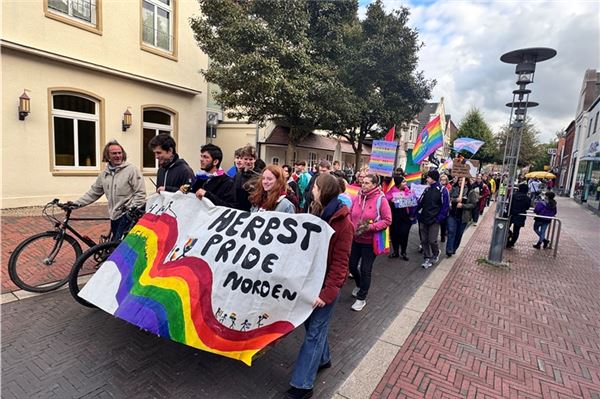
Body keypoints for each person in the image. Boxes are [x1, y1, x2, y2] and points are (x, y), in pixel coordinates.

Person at [285, 174, 354, 399]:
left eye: (315, 187)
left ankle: (302, 385)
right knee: (312, 327)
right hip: (310, 284)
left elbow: (341, 263)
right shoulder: (315, 212)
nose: (312, 190)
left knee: (314, 332)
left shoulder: (344, 224)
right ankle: (323, 358)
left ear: (323, 190)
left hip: (325, 288)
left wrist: (328, 293)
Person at [72, 140, 146, 240]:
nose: (118, 156)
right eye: (114, 153)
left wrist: (131, 210)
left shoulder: (131, 170)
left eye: (120, 153)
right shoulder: (104, 174)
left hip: (128, 216)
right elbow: (93, 193)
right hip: (114, 216)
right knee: (116, 246)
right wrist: (75, 204)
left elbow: (140, 194)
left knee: (119, 248)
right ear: (107, 156)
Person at [348, 174, 392, 312]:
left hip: (370, 242)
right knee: (352, 266)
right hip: (355, 239)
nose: (363, 185)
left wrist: (370, 227)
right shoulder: (358, 196)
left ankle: (361, 298)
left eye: (367, 183)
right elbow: (350, 213)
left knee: (365, 269)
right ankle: (360, 284)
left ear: (374, 184)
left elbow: (387, 220)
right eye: (363, 182)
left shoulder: (381, 199)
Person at [416, 170, 449, 269]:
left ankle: (435, 253)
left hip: (434, 220)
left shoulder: (443, 190)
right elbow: (420, 203)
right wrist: (414, 213)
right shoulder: (427, 189)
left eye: (428, 177)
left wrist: (439, 218)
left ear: (433, 178)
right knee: (424, 239)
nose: (426, 179)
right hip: (424, 218)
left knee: (432, 240)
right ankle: (427, 256)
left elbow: (445, 206)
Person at [445, 177, 478, 257]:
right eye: (459, 180)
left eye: (462, 180)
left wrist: (463, 205)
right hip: (452, 214)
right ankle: (449, 249)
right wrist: (456, 200)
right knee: (451, 231)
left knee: (458, 234)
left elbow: (473, 204)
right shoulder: (454, 188)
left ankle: (454, 248)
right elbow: (449, 198)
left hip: (463, 217)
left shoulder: (471, 191)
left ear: (466, 182)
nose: (460, 182)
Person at [385, 174, 415, 261]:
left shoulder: (408, 191)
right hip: (395, 217)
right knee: (394, 235)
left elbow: (413, 204)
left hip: (405, 217)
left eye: (405, 181)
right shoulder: (392, 191)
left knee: (404, 234)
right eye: (403, 181)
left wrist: (412, 215)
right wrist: (391, 201)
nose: (405, 183)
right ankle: (395, 252)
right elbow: (386, 201)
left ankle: (404, 252)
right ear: (398, 183)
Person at [233, 145, 261, 211]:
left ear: (255, 159)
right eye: (245, 159)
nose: (248, 162)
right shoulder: (237, 175)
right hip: (238, 211)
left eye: (251, 159)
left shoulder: (259, 176)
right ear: (242, 159)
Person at [506, 183, 530, 248]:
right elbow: (527, 207)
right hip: (520, 215)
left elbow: (509, 204)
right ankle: (512, 243)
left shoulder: (513, 195)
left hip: (511, 214)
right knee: (516, 230)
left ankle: (507, 238)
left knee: (506, 227)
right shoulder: (527, 198)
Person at [439, 174, 452, 242]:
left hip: (445, 206)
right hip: (438, 206)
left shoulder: (448, 187)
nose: (443, 181)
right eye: (441, 180)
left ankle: (442, 235)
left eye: (444, 180)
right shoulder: (438, 186)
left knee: (443, 223)